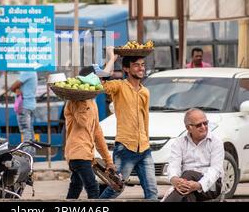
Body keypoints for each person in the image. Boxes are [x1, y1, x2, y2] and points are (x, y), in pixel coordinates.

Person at [99, 47, 158, 201]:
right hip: (125, 148)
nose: (141, 68)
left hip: (144, 149)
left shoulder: (145, 92)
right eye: (137, 65)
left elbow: (145, 120)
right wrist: (112, 58)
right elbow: (101, 83)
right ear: (126, 68)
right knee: (115, 188)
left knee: (152, 192)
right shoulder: (119, 86)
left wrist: (147, 140)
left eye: (143, 65)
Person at [64, 66, 116, 199]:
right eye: (98, 78)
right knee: (92, 187)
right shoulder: (75, 101)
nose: (101, 81)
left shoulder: (92, 103)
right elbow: (82, 122)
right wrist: (82, 98)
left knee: (75, 187)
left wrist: (108, 160)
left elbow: (97, 133)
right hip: (78, 152)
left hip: (86, 153)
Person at [163, 108, 224, 202]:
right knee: (187, 195)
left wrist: (198, 185)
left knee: (189, 174)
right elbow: (173, 165)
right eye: (199, 125)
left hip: (212, 186)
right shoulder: (179, 142)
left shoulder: (216, 142)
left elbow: (215, 170)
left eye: (205, 123)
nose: (203, 127)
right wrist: (174, 180)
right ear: (188, 128)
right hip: (186, 184)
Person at [10, 71, 37, 156]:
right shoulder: (33, 72)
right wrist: (18, 89)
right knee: (30, 131)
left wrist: (16, 88)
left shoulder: (27, 72)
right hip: (31, 105)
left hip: (24, 106)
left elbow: (12, 87)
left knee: (26, 131)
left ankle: (27, 155)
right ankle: (31, 154)